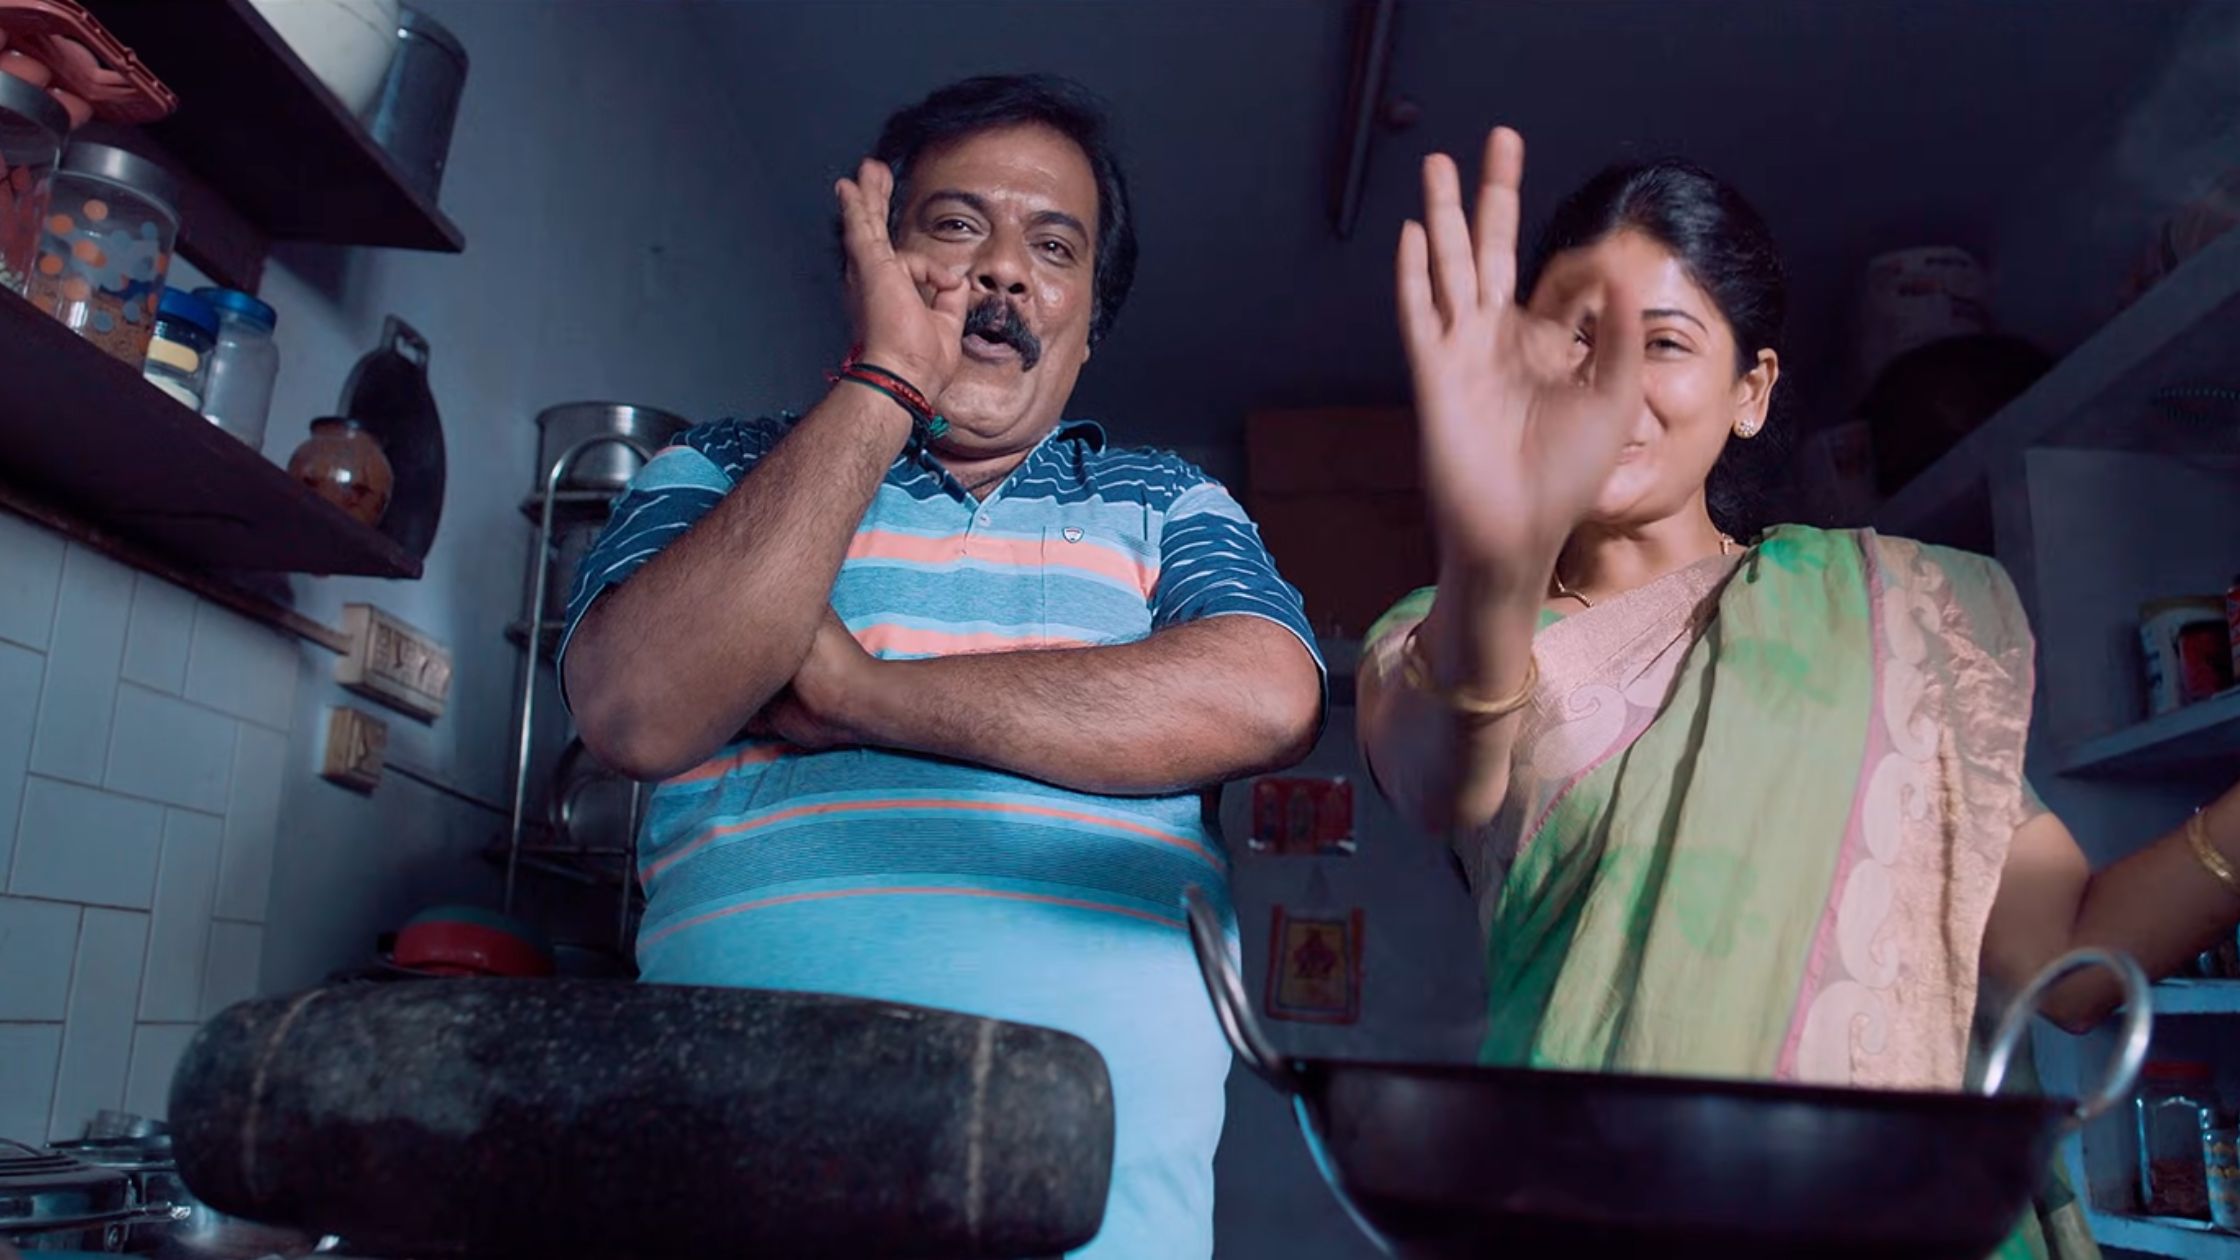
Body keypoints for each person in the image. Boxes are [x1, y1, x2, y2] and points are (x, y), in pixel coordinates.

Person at [1358, 126, 2240, 1258]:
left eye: (1662, 342)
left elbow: (2066, 966)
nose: (1609, 382)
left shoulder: (1886, 619)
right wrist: (1495, 557)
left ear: (1750, 390)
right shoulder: (1441, 636)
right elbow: (1441, 775)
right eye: (1577, 338)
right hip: (1592, 1214)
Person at [558, 75, 1323, 1259]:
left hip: (1099, 1227)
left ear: (1087, 324)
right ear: (870, 267)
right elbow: (635, 709)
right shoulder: (720, 470)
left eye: (1052, 247)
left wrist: (859, 694)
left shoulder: (1165, 499)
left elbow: (1266, 696)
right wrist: (884, 383)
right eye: (956, 225)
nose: (1002, 272)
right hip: (736, 1202)